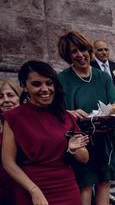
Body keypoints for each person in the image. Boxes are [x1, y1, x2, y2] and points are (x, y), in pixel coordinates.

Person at [1, 61, 90, 205]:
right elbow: (8, 163)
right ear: (24, 86)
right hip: (31, 189)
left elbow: (85, 158)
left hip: (67, 188)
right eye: (37, 84)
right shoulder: (13, 117)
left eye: (49, 83)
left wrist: (73, 150)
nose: (45, 89)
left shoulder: (65, 117)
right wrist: (34, 190)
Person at [57, 31, 115, 205]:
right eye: (73, 52)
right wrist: (69, 112)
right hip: (80, 139)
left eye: (82, 49)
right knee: (84, 184)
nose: (80, 55)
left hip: (105, 138)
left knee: (104, 181)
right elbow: (56, 110)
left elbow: (114, 102)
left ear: (89, 50)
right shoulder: (63, 79)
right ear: (67, 55)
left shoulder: (103, 77)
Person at [0, 79, 21, 205]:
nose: (6, 100)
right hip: (4, 187)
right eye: (0, 97)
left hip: (30, 184)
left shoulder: (31, 121)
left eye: (11, 95)